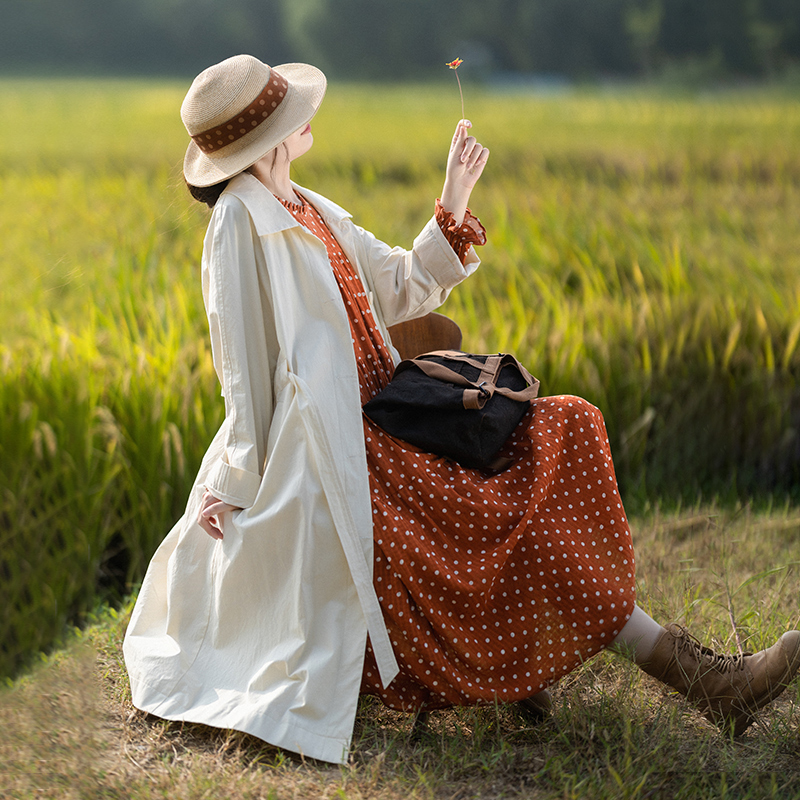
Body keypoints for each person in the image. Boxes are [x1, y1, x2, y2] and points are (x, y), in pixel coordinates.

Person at [123, 55, 800, 765]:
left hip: (393, 413)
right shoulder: (236, 222)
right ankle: (709, 684)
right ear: (265, 141)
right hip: (336, 451)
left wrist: (455, 192)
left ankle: (639, 676)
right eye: (292, 114)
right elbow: (242, 371)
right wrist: (233, 481)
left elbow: (398, 284)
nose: (307, 118)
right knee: (483, 528)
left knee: (560, 428)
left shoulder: (307, 204)